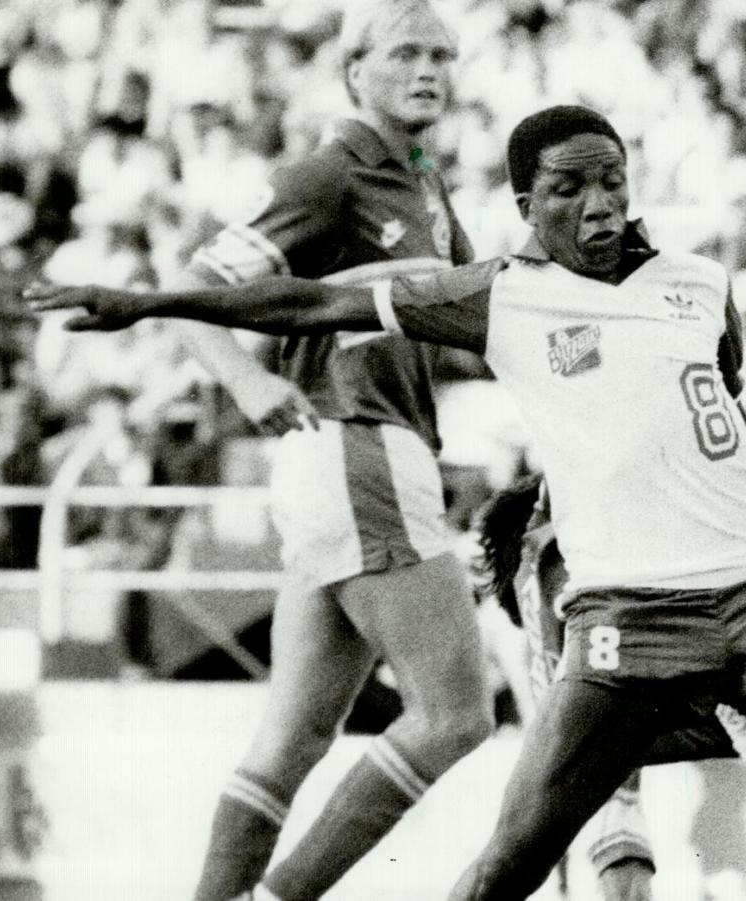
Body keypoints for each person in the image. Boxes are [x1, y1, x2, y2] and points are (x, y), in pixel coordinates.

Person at [27, 105, 746, 901]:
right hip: (629, 627)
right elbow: (312, 301)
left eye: (612, 178)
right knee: (507, 864)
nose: (598, 202)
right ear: (526, 205)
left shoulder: (699, 285)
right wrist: (145, 300)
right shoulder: (504, 297)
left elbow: (707, 401)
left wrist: (743, 436)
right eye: (568, 187)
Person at [156, 3, 493, 900]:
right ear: (355, 72)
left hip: (349, 457)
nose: (430, 70)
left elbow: (476, 312)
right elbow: (192, 284)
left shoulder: (422, 180)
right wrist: (248, 381)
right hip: (356, 444)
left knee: (292, 739)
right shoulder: (330, 174)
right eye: (408, 54)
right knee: (457, 715)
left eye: (442, 56)